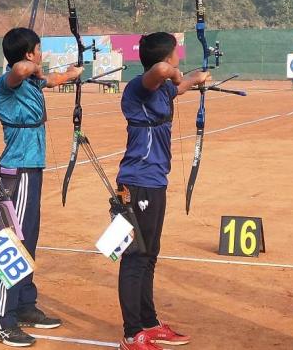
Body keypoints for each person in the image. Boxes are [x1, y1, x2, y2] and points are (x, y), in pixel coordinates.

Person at [0, 27, 83, 347]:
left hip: (32, 169)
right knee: (13, 243)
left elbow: (51, 80)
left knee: (29, 239)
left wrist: (72, 73)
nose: (41, 55)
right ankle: (2, 319)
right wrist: (35, 67)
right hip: (19, 171)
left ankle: (25, 304)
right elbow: (20, 70)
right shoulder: (8, 82)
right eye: (38, 49)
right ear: (29, 54)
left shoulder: (31, 81)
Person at [116, 32, 207, 349]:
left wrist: (195, 78)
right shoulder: (139, 87)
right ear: (167, 57)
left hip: (155, 181)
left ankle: (149, 322)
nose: (178, 57)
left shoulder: (162, 89)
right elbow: (163, 73)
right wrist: (177, 73)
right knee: (134, 257)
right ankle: (132, 333)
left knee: (149, 254)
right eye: (175, 53)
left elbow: (176, 87)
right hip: (136, 182)